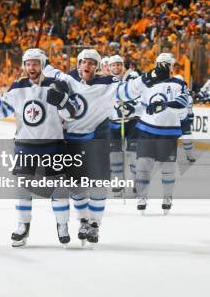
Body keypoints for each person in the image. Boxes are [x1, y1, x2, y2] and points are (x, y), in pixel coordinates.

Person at [43, 49, 169, 244]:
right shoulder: (67, 79)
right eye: (84, 62)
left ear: (98, 66)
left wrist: (150, 76)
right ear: (79, 63)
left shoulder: (108, 83)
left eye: (92, 63)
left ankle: (95, 225)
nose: (87, 65)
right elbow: (46, 70)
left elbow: (130, 89)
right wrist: (48, 75)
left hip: (97, 141)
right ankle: (83, 220)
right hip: (71, 142)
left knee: (99, 187)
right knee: (76, 187)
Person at [0, 48, 77, 246]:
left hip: (54, 145)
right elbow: (3, 111)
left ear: (42, 65)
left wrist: (61, 100)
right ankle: (23, 226)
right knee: (22, 189)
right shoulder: (17, 87)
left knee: (58, 188)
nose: (31, 67)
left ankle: (62, 225)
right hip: (25, 146)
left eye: (35, 63)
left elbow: (71, 114)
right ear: (24, 66)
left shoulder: (55, 86)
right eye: (28, 63)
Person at [119, 53, 189, 214]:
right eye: (161, 63)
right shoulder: (147, 83)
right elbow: (141, 107)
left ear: (172, 66)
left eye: (167, 64)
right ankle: (142, 197)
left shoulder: (179, 83)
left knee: (168, 168)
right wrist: (130, 109)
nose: (164, 66)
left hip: (168, 132)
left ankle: (167, 197)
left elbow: (183, 103)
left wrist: (164, 105)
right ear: (157, 64)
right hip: (146, 131)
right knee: (143, 166)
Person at [107, 55, 142, 197]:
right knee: (115, 156)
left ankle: (135, 182)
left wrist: (131, 106)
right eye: (113, 65)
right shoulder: (105, 82)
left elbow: (140, 95)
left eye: (118, 65)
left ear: (123, 66)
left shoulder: (132, 78)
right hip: (114, 123)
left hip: (133, 122)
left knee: (133, 155)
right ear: (109, 68)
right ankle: (117, 183)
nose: (116, 68)